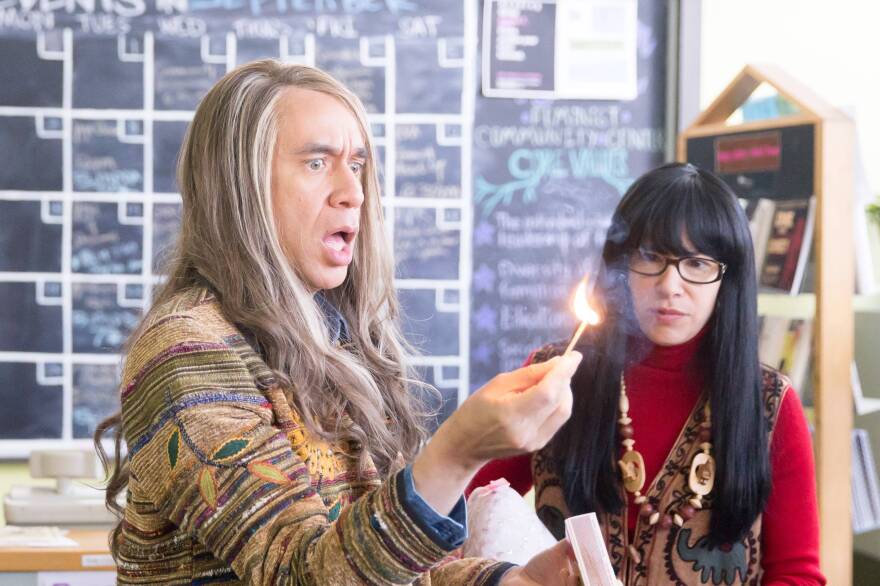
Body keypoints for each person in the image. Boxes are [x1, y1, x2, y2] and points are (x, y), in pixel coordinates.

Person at [95, 60, 584, 585]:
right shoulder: (187, 351)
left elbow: (380, 565)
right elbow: (304, 575)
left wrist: (513, 582)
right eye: (316, 163)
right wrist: (457, 453)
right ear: (239, 187)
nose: (352, 191)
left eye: (356, 164)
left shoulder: (335, 347)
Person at [468, 163, 826, 585]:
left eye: (696, 263)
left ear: (726, 278)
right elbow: (466, 510)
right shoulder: (557, 377)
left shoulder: (769, 403)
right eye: (651, 257)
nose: (670, 285)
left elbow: (797, 574)